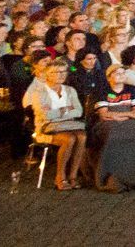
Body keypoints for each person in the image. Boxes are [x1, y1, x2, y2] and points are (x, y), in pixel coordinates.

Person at [89, 62, 135, 192]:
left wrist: (120, 116)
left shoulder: (131, 89)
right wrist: (126, 115)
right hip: (108, 123)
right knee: (115, 136)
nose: (121, 76)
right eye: (117, 73)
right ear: (109, 77)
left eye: (123, 73)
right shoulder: (102, 90)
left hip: (129, 119)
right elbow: (104, 114)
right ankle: (115, 175)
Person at [23, 57, 87, 189]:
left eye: (63, 72)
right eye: (56, 72)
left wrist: (56, 113)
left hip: (69, 125)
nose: (61, 75)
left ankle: (73, 176)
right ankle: (60, 176)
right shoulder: (39, 92)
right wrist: (66, 109)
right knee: (69, 139)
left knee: (82, 137)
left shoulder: (70, 90)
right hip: (47, 127)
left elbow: (79, 111)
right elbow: (44, 115)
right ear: (47, 74)